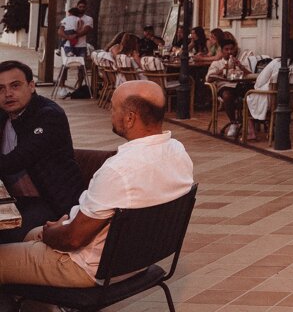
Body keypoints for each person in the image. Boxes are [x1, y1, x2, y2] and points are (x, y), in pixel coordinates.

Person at [0, 80, 193, 304]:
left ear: (130, 118)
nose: (110, 113)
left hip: (88, 268)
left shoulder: (118, 170)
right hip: (136, 260)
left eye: (113, 108)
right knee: (31, 233)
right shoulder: (177, 151)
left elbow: (72, 240)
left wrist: (53, 232)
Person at [0, 61, 86, 244]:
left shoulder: (48, 115)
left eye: (15, 86)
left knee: (5, 236)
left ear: (31, 86)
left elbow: (17, 160)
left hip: (51, 203)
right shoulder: (4, 114)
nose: (8, 94)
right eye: (0, 89)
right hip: (12, 199)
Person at [245, 38, 293, 142]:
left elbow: (260, 81)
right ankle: (271, 127)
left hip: (271, 100)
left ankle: (251, 132)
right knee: (260, 98)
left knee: (248, 98)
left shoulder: (278, 63)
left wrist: (260, 88)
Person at [205, 35, 251, 136]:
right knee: (227, 95)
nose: (229, 52)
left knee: (252, 92)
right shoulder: (216, 63)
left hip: (239, 85)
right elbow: (209, 78)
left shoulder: (239, 62)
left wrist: (241, 67)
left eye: (231, 49)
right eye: (226, 49)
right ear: (221, 51)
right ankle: (233, 122)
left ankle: (250, 124)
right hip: (224, 87)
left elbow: (249, 75)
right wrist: (223, 70)